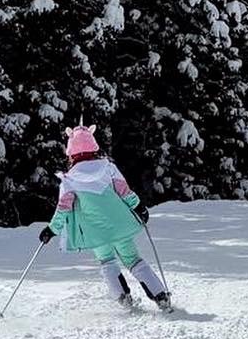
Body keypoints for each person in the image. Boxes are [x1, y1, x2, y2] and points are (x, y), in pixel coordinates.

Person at [39, 125, 172, 311]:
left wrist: (52, 230)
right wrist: (139, 207)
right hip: (119, 226)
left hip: (96, 233)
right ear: (93, 146)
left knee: (107, 261)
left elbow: (63, 209)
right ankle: (160, 295)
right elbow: (125, 192)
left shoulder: (69, 180)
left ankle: (122, 297)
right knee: (133, 259)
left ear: (71, 152)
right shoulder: (108, 168)